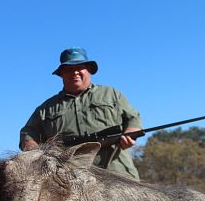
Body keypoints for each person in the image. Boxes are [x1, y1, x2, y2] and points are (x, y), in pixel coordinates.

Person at [19, 47, 142, 180]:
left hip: (118, 174)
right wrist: (37, 154)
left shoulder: (111, 94)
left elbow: (133, 119)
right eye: (68, 69)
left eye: (80, 67)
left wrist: (130, 133)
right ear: (61, 74)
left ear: (89, 70)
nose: (75, 72)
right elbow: (27, 135)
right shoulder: (45, 108)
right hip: (69, 179)